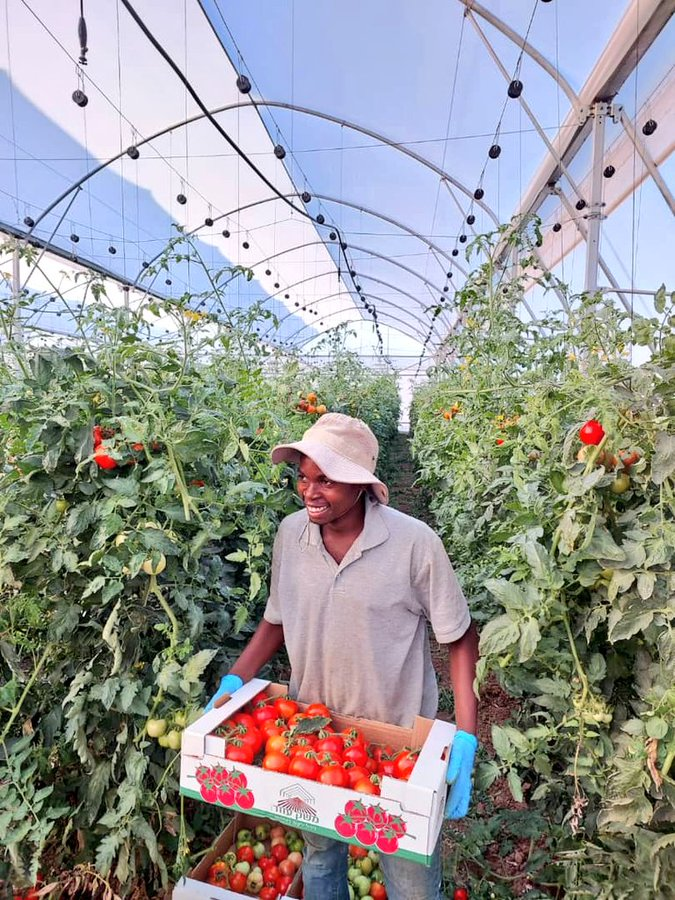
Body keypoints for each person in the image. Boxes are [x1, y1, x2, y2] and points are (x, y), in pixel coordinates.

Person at [207, 413, 479, 900]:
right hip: (313, 734)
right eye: (304, 477)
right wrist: (235, 681)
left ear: (361, 486)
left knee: (411, 879)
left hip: (398, 746)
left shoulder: (415, 544)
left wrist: (464, 734)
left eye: (326, 480)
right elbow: (276, 619)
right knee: (319, 859)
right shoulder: (290, 535)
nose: (310, 491)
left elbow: (459, 639)